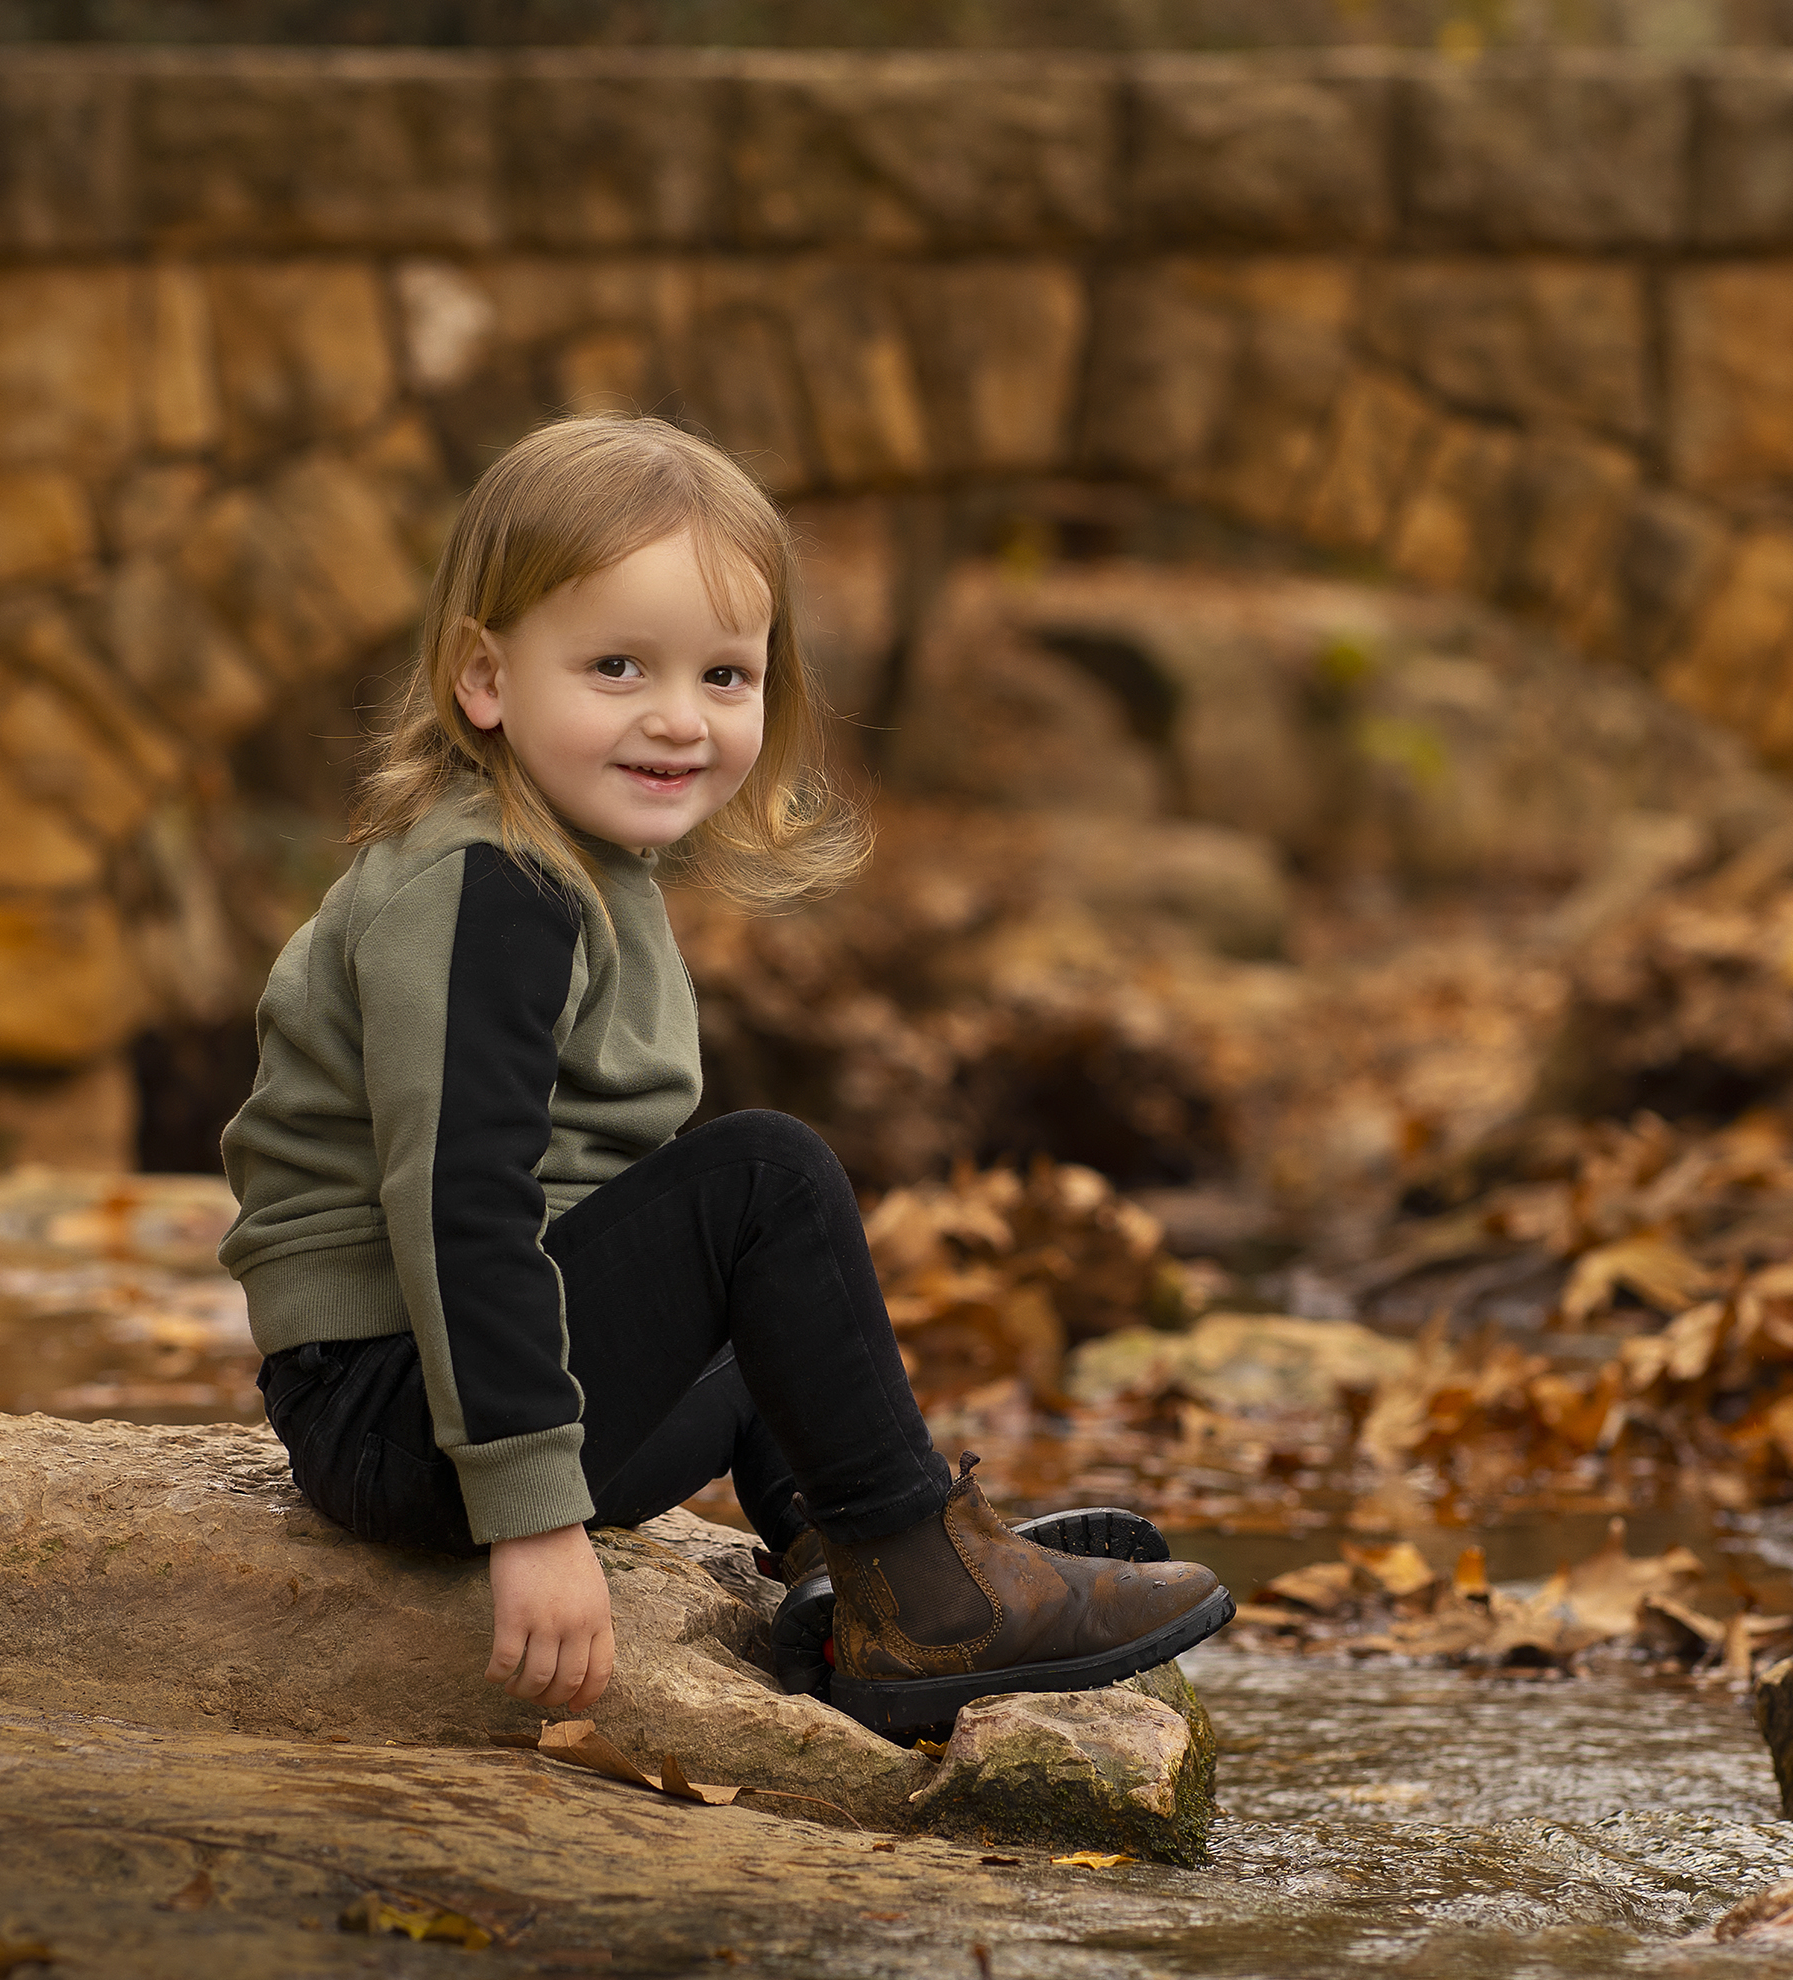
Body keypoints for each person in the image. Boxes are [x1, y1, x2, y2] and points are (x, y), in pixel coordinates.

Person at [219, 414, 1230, 1743]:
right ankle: (926, 1587)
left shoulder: (569, 863)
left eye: (725, 676)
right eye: (619, 665)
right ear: (485, 678)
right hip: (397, 1418)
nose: (677, 719)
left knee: (764, 1286)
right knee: (764, 1176)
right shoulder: (483, 890)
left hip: (450, 1400)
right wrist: (531, 1521)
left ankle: (855, 1566)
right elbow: (457, 1203)